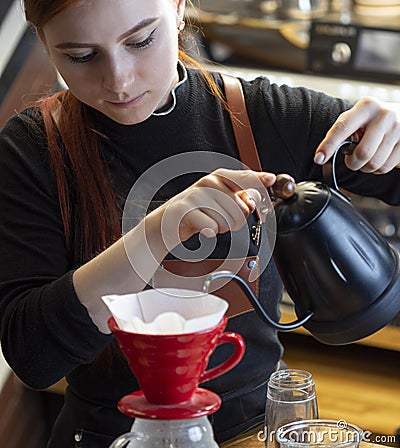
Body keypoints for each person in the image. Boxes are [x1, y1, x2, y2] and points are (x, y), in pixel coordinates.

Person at [0, 0, 399, 447]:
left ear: (178, 8)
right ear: (42, 41)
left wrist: (393, 133)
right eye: (81, 55)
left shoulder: (261, 114)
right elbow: (32, 357)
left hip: (260, 431)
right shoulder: (31, 151)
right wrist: (155, 235)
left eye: (141, 40)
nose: (119, 80)